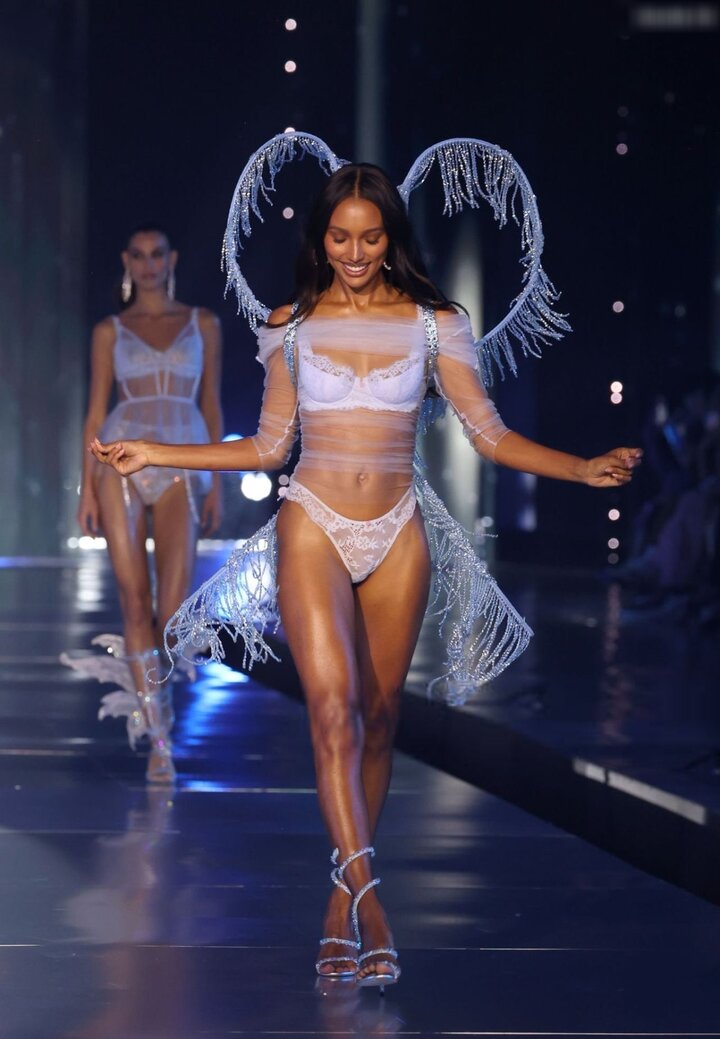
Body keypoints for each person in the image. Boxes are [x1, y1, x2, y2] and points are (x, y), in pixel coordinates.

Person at [89, 154, 641, 987]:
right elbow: (268, 447)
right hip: (311, 521)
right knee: (334, 713)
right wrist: (155, 451)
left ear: (391, 239)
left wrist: (583, 468)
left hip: (397, 530)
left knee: (380, 720)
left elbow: (488, 434)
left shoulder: (434, 323)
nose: (354, 252)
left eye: (370, 237)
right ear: (321, 238)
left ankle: (340, 899)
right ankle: (373, 903)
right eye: (340, 237)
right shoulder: (290, 324)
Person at [65, 225, 224, 785]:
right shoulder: (109, 330)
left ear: (171, 259)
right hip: (119, 458)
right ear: (127, 261)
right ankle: (159, 739)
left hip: (181, 459)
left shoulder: (203, 324)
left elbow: (212, 403)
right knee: (134, 602)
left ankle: (158, 702)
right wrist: (87, 486)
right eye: (139, 255)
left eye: (158, 254)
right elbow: (94, 410)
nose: (149, 263)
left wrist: (217, 482)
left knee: (171, 611)